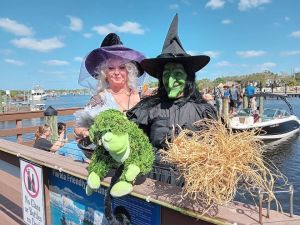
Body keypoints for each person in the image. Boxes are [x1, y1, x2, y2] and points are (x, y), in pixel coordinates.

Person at [127, 14, 218, 155]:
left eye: (177, 74)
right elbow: (131, 146)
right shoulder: (147, 110)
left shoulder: (204, 111)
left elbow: (217, 150)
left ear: (188, 77)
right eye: (166, 74)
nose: (170, 81)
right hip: (154, 176)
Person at [74, 33, 145, 139]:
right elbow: (78, 128)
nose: (117, 72)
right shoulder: (99, 99)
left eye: (122, 67)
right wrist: (87, 133)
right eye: (111, 68)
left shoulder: (141, 96)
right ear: (104, 73)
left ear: (129, 71)